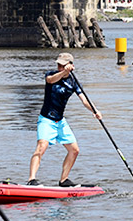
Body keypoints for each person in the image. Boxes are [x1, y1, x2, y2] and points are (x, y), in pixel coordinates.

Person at [27, 52, 100, 188]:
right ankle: (32, 180)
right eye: (59, 65)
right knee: (41, 146)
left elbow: (84, 100)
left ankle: (63, 180)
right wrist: (62, 72)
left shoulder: (74, 82)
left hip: (60, 122)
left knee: (74, 150)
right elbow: (50, 80)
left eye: (63, 65)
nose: (60, 67)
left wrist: (95, 111)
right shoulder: (51, 74)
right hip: (46, 120)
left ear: (71, 65)